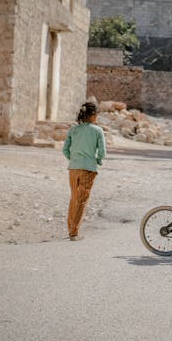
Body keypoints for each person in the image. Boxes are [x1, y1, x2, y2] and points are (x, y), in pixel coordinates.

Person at [62, 102, 106, 241]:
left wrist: (73, 159)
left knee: (74, 198)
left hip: (73, 168)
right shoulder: (97, 130)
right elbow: (102, 152)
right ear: (93, 115)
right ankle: (74, 233)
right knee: (82, 200)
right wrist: (97, 161)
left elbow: (65, 149)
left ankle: (70, 229)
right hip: (88, 169)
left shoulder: (73, 129)